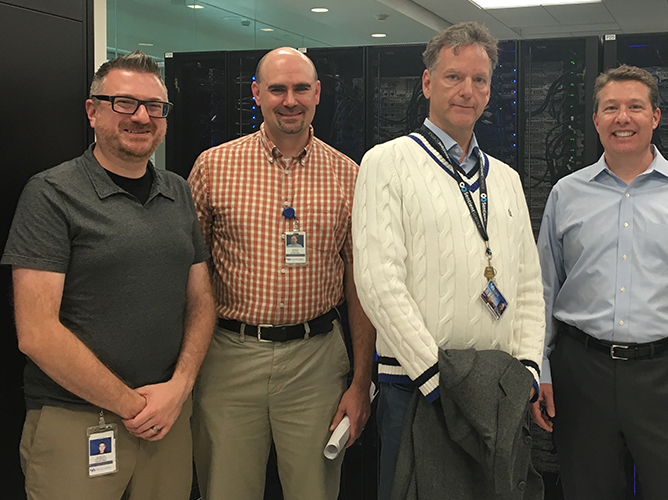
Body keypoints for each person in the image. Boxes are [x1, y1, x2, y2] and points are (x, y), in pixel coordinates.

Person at [1, 50, 215, 500]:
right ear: (92, 111)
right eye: (124, 103)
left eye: (154, 106)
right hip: (77, 419)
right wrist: (130, 405)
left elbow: (200, 301)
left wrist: (180, 386)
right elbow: (36, 332)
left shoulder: (176, 190)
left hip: (167, 419)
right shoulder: (52, 194)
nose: (142, 116)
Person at [532, 64, 668, 500]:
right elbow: (541, 293)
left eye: (634, 107)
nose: (622, 118)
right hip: (581, 374)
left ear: (655, 117)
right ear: (595, 121)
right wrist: (542, 370)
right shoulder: (566, 194)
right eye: (610, 108)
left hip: (667, 377)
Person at [352, 22, 545, 500]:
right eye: (454, 77)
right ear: (426, 83)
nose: (468, 90)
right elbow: (378, 282)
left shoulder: (505, 179)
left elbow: (527, 285)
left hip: (497, 386)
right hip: (419, 388)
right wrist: (438, 380)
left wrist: (526, 370)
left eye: (479, 80)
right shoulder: (386, 163)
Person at [188, 47, 376, 500]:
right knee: (225, 489)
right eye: (277, 89)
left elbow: (360, 285)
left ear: (317, 94)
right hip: (229, 356)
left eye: (299, 89)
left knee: (315, 490)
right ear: (257, 93)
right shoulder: (213, 167)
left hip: (317, 362)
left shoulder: (350, 175)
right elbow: (190, 274)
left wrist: (360, 382)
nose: (289, 100)